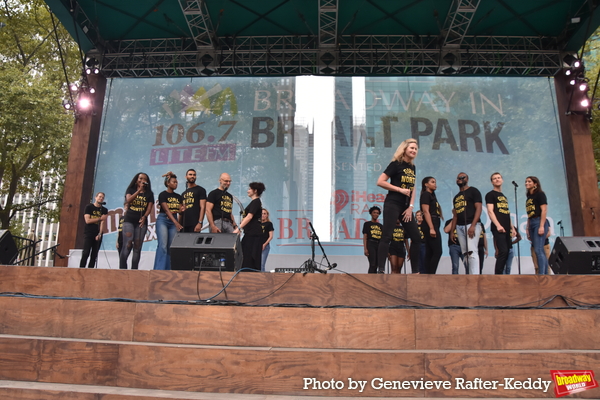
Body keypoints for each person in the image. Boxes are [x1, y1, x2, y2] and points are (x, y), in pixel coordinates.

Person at [376, 138, 421, 274]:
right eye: (411, 148)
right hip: (393, 203)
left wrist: (411, 207)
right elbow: (380, 181)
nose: (414, 150)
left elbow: (413, 188)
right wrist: (399, 190)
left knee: (417, 238)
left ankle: (415, 271)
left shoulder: (412, 167)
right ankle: (381, 269)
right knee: (387, 236)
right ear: (404, 149)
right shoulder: (396, 164)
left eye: (415, 149)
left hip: (406, 207)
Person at [120, 172, 154, 270]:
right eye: (140, 178)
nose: (142, 180)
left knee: (137, 247)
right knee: (127, 244)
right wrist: (138, 191)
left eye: (145, 179)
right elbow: (128, 200)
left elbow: (149, 207)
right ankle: (122, 269)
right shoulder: (130, 189)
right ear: (136, 180)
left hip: (141, 222)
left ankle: (134, 271)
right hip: (129, 220)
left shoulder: (149, 193)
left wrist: (145, 216)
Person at [450, 173, 483, 274]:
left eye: (462, 177)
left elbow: (479, 208)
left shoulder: (473, 191)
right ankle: (469, 274)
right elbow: (455, 216)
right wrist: (452, 231)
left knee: (472, 251)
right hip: (459, 227)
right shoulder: (456, 197)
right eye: (458, 178)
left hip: (471, 224)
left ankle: (475, 277)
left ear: (467, 179)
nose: (459, 179)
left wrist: (473, 225)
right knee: (466, 253)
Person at [485, 172, 516, 274]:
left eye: (499, 178)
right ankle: (498, 276)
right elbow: (490, 211)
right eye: (494, 178)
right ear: (492, 182)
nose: (497, 179)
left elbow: (507, 213)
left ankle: (504, 275)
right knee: (503, 252)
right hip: (498, 228)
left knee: (508, 252)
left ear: (502, 180)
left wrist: (512, 228)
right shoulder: (490, 195)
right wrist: (498, 225)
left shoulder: (503, 196)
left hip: (507, 228)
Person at [153, 172, 184, 270]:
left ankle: (168, 270)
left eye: (177, 182)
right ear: (168, 183)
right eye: (174, 182)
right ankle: (159, 270)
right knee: (162, 245)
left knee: (171, 247)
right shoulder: (163, 194)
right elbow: (166, 210)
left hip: (173, 220)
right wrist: (176, 223)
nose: (176, 184)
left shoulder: (179, 196)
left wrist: (182, 210)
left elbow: (179, 210)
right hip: (163, 220)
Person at [234, 182, 265, 271]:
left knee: (250, 257)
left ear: (255, 191)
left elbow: (249, 216)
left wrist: (238, 228)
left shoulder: (256, 202)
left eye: (249, 189)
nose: (248, 191)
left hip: (254, 235)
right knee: (244, 254)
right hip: (249, 233)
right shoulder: (254, 202)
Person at [525, 176, 549, 275]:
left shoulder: (540, 194)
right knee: (538, 250)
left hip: (539, 221)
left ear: (535, 184)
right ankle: (544, 273)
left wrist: (542, 226)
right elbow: (530, 213)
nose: (526, 183)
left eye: (529, 181)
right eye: (526, 181)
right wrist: (527, 227)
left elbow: (544, 210)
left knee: (539, 250)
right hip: (532, 222)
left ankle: (542, 275)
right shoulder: (529, 197)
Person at [420, 176, 443, 274]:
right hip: (430, 223)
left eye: (435, 182)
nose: (435, 184)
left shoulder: (432, 195)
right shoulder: (426, 194)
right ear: (426, 184)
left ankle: (427, 273)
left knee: (430, 251)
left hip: (435, 222)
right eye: (432, 182)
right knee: (437, 251)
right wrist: (431, 228)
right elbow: (425, 211)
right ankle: (431, 273)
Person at [80, 192, 108, 268]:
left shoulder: (104, 210)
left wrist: (99, 233)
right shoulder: (89, 207)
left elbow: (103, 223)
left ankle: (90, 270)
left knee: (94, 254)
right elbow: (87, 220)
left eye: (102, 197)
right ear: (95, 197)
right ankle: (81, 269)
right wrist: (99, 218)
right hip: (89, 232)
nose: (101, 198)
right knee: (86, 252)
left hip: (98, 233)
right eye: (99, 197)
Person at [362, 206, 383, 274]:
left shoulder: (380, 226)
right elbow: (365, 236)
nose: (376, 214)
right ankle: (370, 280)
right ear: (371, 213)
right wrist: (365, 248)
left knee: (377, 264)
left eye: (377, 213)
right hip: (371, 244)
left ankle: (375, 280)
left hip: (379, 244)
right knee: (372, 263)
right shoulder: (367, 224)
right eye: (374, 212)